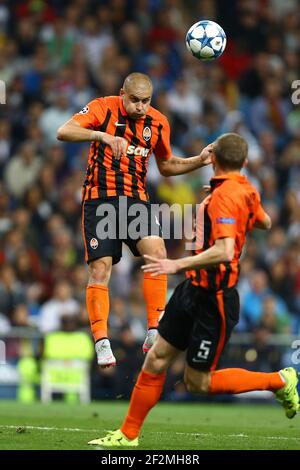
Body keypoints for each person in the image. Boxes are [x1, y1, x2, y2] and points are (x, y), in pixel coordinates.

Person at [88, 133, 299, 447]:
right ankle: (128, 435)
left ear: (212, 159)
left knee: (196, 382)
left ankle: (280, 381)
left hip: (214, 300)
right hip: (192, 290)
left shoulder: (228, 195)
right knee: (156, 358)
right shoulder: (241, 190)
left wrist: (176, 266)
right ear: (242, 162)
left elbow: (225, 250)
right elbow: (265, 221)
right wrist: (226, 202)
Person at [57, 73, 211, 367]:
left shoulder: (158, 122)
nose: (140, 107)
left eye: (146, 101)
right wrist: (100, 135)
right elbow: (64, 131)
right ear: (122, 94)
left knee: (158, 253)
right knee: (100, 270)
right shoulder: (103, 107)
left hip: (135, 201)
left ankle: (154, 329)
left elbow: (166, 166)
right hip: (100, 199)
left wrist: (199, 160)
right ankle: (102, 341)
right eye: (135, 100)